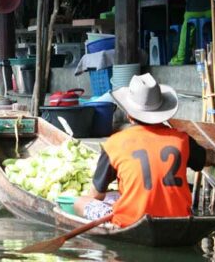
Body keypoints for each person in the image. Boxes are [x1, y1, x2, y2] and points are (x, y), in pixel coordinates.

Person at [73, 73, 207, 228]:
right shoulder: (183, 139)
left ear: (129, 115)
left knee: (80, 202)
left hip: (129, 221)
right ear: (161, 112)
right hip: (179, 220)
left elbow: (96, 195)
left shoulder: (114, 143)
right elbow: (202, 160)